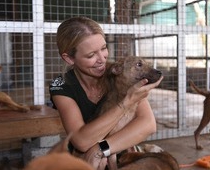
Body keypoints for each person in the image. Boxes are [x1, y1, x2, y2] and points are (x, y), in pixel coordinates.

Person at [49, 16, 163, 170]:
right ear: (69, 58)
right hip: (83, 160)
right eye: (91, 55)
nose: (101, 59)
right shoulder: (62, 86)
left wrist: (100, 149)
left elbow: (148, 124)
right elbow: (81, 141)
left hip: (117, 152)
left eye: (103, 48)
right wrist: (126, 102)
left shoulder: (120, 72)